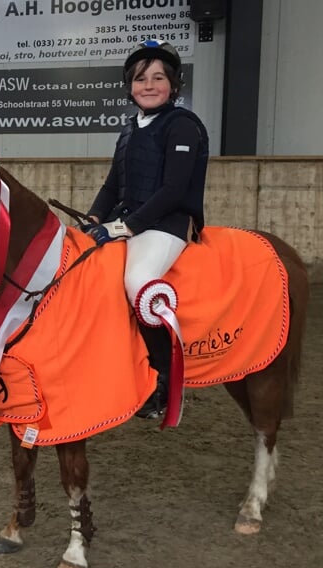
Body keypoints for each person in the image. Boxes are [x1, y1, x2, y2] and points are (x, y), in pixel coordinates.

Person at [84, 39, 209, 419]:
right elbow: (112, 185)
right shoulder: (129, 129)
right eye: (141, 79)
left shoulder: (183, 126)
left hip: (169, 223)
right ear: (130, 85)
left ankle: (165, 380)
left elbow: (173, 190)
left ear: (174, 85)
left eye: (159, 78)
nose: (149, 85)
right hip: (130, 221)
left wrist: (124, 227)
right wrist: (92, 219)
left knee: (138, 281)